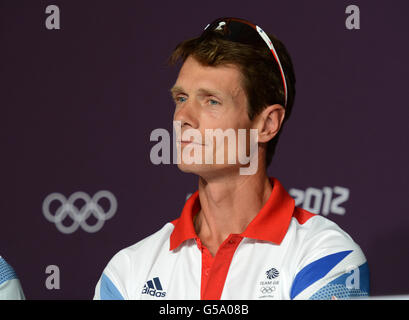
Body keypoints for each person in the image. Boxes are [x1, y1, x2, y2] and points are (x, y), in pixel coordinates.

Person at [93, 17, 369, 300]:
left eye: (211, 100)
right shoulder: (127, 272)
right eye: (181, 98)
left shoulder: (325, 256)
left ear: (266, 124)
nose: (182, 118)